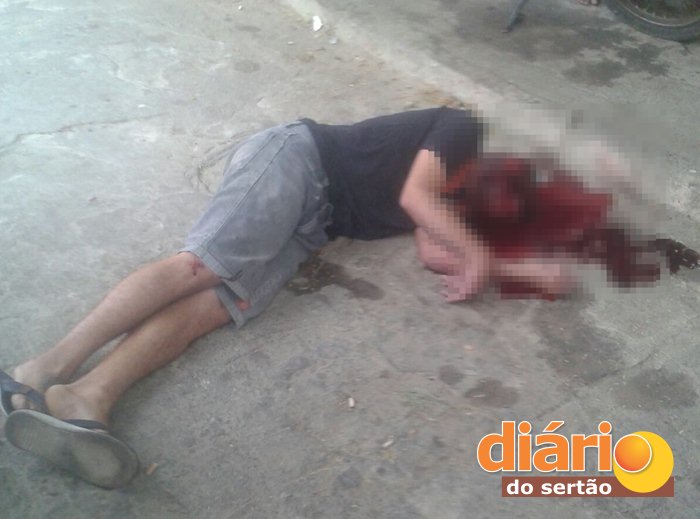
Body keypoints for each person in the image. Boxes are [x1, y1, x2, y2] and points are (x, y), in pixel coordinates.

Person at [0, 107, 666, 488]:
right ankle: (38, 369)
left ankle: (87, 398)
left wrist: (523, 263)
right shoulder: (463, 130)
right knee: (200, 267)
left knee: (216, 306)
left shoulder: (465, 206)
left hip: (312, 228)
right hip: (298, 161)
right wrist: (486, 256)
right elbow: (415, 198)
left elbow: (437, 250)